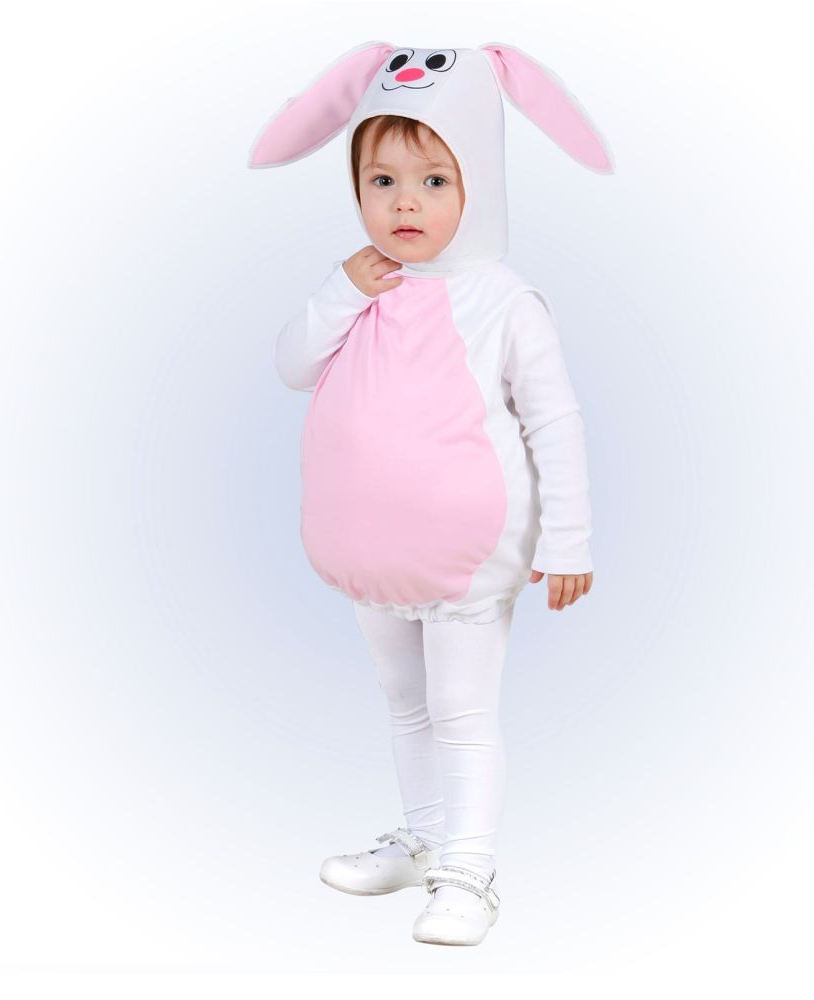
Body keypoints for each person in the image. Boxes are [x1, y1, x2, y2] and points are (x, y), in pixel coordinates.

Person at [248, 42, 613, 946]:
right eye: (382, 181)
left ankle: (468, 871)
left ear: (478, 184)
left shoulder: (504, 301)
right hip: (372, 555)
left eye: (434, 181)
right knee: (403, 702)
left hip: (466, 556)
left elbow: (555, 421)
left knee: (462, 713)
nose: (404, 204)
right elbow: (293, 364)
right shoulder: (364, 285)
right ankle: (422, 838)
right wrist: (341, 290)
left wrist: (568, 540)